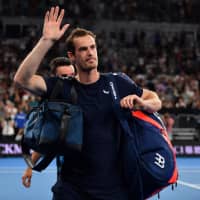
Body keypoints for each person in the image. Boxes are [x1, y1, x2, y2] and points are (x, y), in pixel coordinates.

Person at [14, 6, 162, 200]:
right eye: (83, 49)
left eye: (92, 47)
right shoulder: (62, 88)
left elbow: (156, 101)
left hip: (115, 190)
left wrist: (143, 104)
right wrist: (46, 40)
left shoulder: (117, 82)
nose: (90, 53)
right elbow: (22, 80)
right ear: (72, 56)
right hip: (71, 190)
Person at [21, 56, 75, 188]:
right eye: (64, 76)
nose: (70, 80)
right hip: (68, 172)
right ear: (54, 79)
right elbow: (47, 136)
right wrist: (30, 167)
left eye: (72, 75)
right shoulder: (51, 106)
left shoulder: (87, 92)